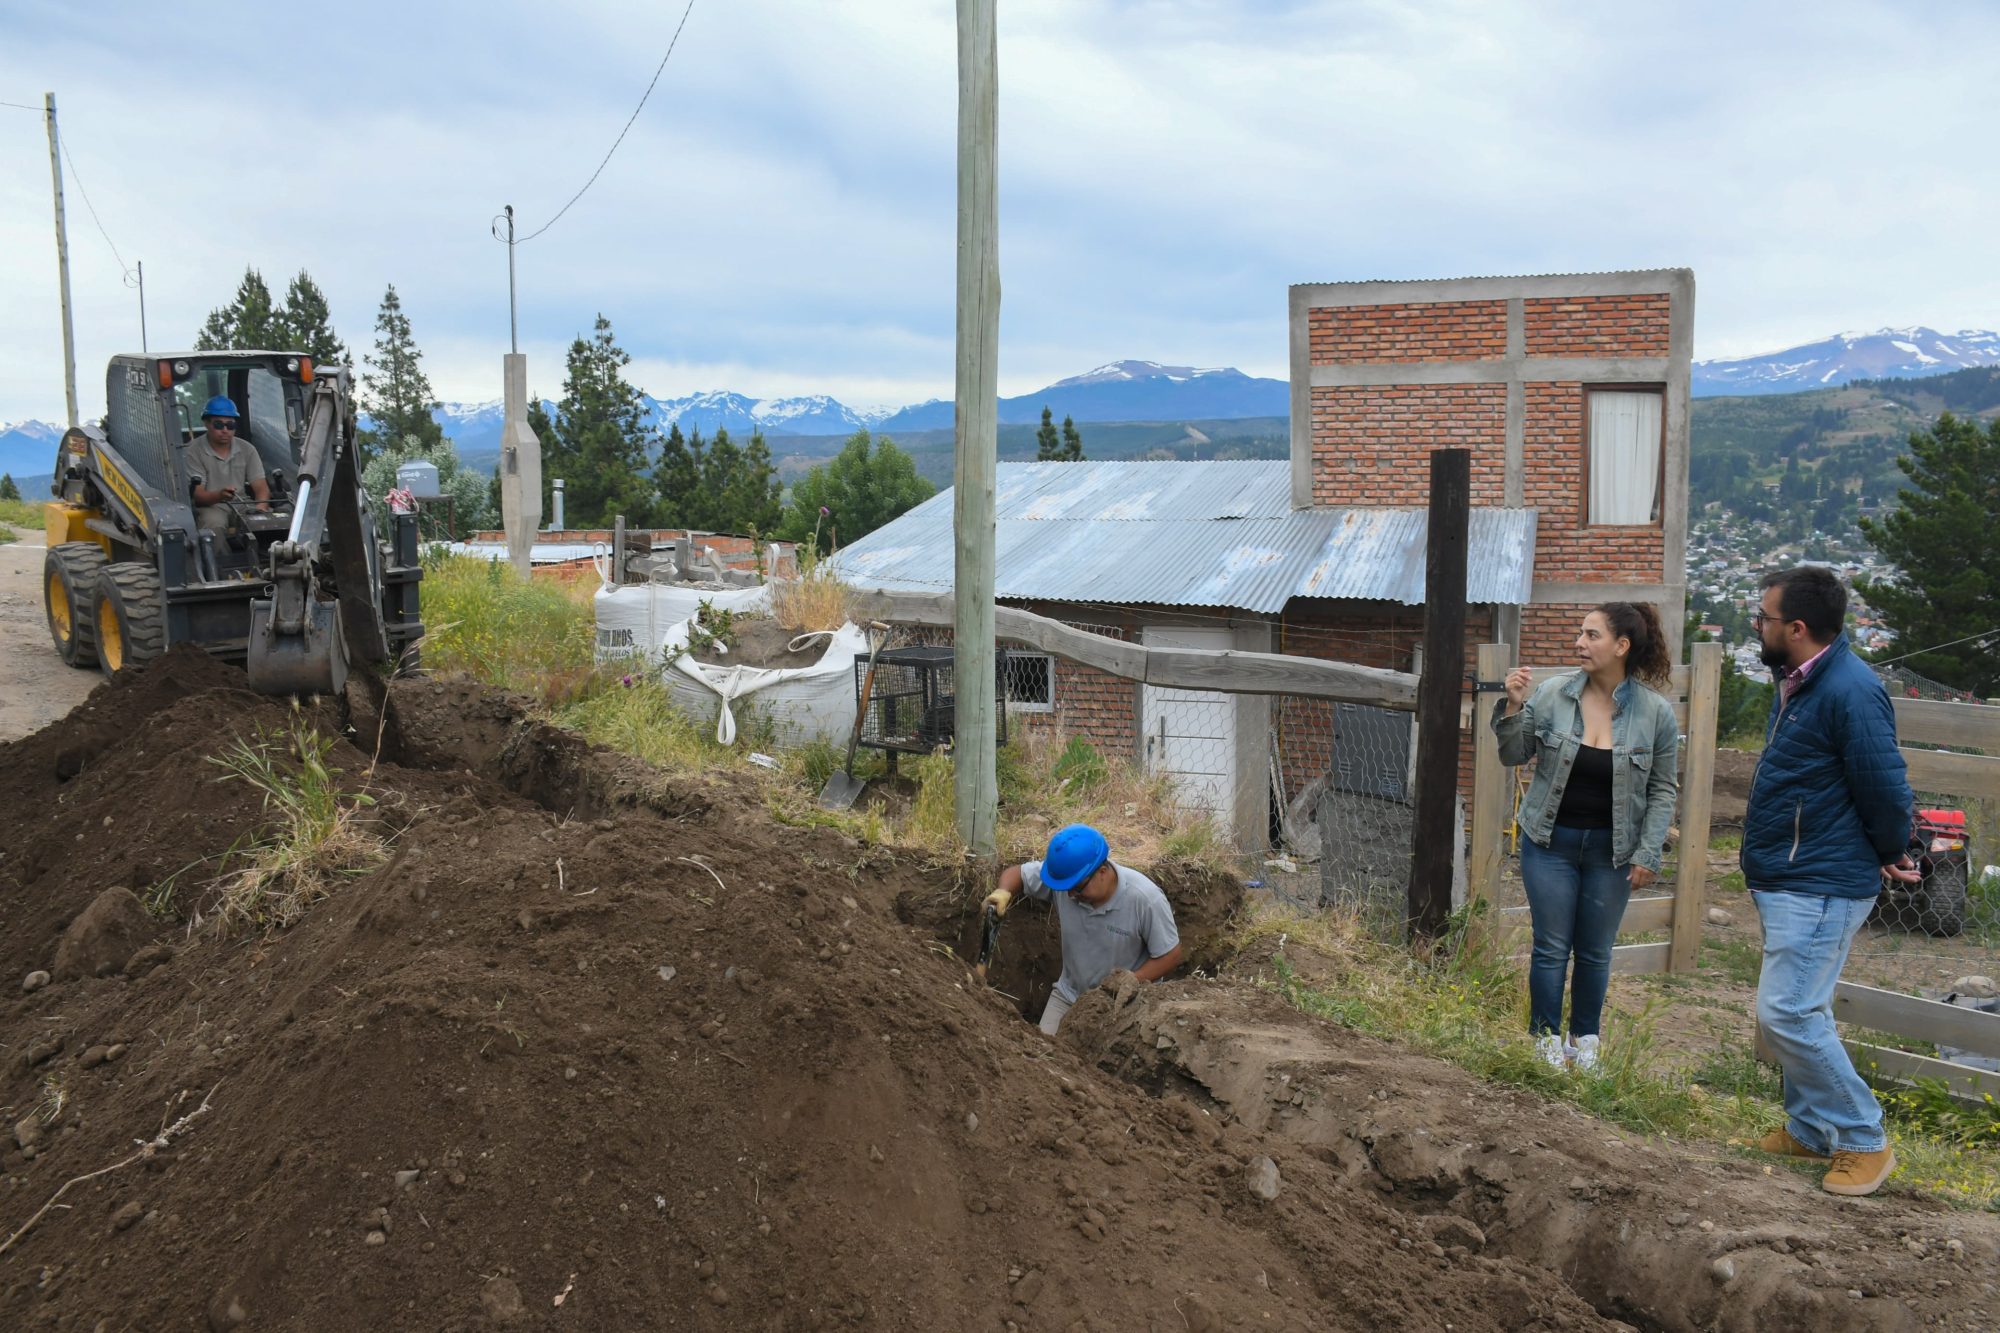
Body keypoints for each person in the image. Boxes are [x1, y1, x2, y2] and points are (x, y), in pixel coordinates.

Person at [1744, 565, 1913, 1197]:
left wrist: (1891, 847)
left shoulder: (1851, 689)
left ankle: (1864, 1137)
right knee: (1802, 1006)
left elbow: (1884, 785)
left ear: (1796, 627)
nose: (1756, 626)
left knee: (1785, 1010)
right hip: (1795, 871)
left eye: (1763, 617)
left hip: (1820, 879)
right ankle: (1812, 1128)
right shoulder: (1799, 679)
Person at [1493, 603, 1679, 1072]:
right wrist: (1513, 705)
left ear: (1621, 646)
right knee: (1551, 947)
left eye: (1592, 635)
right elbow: (1513, 755)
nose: (1579, 642)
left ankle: (1585, 1043)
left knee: (1595, 952)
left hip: (1612, 853)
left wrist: (1648, 851)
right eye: (1581, 633)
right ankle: (1544, 1041)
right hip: (1548, 845)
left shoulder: (1655, 713)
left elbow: (1662, 789)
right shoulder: (1553, 694)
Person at [983, 824, 1185, 1035]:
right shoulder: (1068, 880)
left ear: (1102, 872)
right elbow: (1018, 874)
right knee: (1040, 1051)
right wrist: (1003, 892)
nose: (1070, 895)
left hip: (1123, 1004)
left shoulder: (1145, 899)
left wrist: (1130, 981)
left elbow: (1170, 954)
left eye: (1077, 888)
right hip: (1069, 996)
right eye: (1066, 889)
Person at [186, 396, 270, 533]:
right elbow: (198, 496)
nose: (225, 430)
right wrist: (219, 495)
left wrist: (260, 509)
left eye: (230, 425)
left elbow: (261, 488)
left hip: (242, 504)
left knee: (269, 523)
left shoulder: (247, 449)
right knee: (213, 524)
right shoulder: (193, 451)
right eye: (219, 425)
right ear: (206, 424)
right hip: (211, 507)